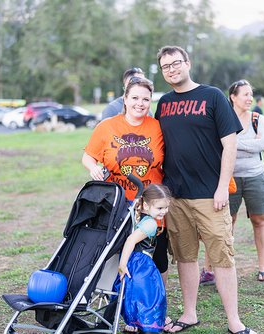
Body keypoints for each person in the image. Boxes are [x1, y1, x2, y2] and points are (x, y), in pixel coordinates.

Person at [155, 45, 256, 334]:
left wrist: (223, 186)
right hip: (175, 197)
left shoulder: (212, 96)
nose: (172, 69)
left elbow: (230, 144)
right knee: (185, 257)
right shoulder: (163, 103)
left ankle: (235, 322)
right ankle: (189, 314)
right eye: (166, 66)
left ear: (188, 63)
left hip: (211, 196)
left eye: (176, 63)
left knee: (222, 257)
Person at [82, 77, 171, 330]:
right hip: (117, 204)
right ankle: (125, 312)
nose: (140, 103)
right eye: (135, 98)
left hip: (150, 205)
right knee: (118, 258)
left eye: (145, 99)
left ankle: (156, 309)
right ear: (125, 99)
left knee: (155, 256)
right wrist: (93, 169)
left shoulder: (157, 127)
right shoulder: (107, 126)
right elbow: (88, 156)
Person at [228, 79, 264, 282]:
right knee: (227, 223)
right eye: (245, 94)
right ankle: (222, 268)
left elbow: (263, 144)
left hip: (255, 176)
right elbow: (220, 145)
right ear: (233, 97)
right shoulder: (225, 119)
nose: (249, 98)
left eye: (250, 94)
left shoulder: (258, 119)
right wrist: (249, 143)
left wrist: (235, 143)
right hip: (230, 177)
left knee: (259, 220)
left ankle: (263, 267)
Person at [115, 184, 172, 333]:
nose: (164, 211)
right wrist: (122, 264)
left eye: (166, 207)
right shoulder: (150, 223)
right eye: (160, 208)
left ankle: (133, 322)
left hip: (133, 260)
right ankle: (148, 325)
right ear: (146, 206)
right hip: (141, 263)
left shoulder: (137, 215)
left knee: (133, 293)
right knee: (149, 294)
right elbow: (131, 240)